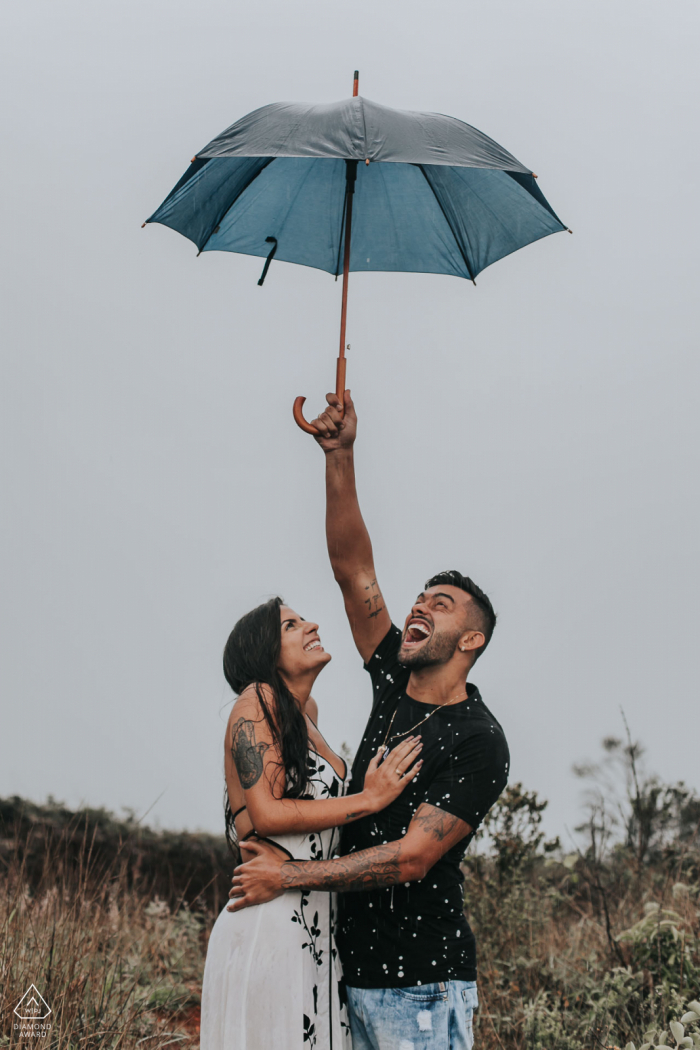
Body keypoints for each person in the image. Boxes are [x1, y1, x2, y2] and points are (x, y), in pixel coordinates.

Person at [227, 393, 510, 1050]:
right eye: (418, 598)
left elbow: (413, 857)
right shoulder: (392, 676)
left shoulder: (478, 740)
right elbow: (354, 569)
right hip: (346, 973)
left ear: (470, 642)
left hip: (420, 984)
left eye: (439, 606)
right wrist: (340, 455)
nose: (417, 607)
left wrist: (288, 878)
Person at [200, 595, 423, 1050]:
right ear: (262, 651)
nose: (310, 625)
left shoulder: (307, 714)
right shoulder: (255, 699)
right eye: (290, 625)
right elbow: (268, 811)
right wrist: (369, 799)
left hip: (318, 922)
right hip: (272, 920)